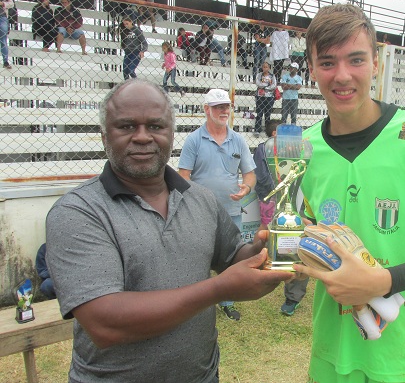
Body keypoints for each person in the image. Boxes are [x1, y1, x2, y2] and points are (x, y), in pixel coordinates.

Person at [46, 79, 292, 382]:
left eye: (156, 126)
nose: (142, 137)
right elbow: (104, 324)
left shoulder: (199, 198)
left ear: (171, 133)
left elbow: (235, 258)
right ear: (104, 136)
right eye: (126, 127)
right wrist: (219, 289)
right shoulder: (78, 212)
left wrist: (270, 249)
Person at [294, 4, 405, 383]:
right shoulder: (304, 148)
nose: (342, 75)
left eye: (355, 59)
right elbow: (311, 236)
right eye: (327, 63)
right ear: (311, 69)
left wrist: (383, 281)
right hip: (332, 355)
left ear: (376, 62)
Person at [178, 89, 257, 321]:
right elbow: (183, 176)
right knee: (198, 257)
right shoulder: (194, 139)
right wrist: (198, 198)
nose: (224, 111)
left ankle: (228, 301)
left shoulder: (238, 140)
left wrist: (247, 188)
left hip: (232, 212)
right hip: (199, 213)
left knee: (231, 260)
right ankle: (198, 302)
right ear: (206, 109)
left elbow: (249, 174)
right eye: (218, 107)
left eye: (227, 107)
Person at [252, 120, 309, 316]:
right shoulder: (264, 149)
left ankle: (293, 296)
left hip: (296, 202)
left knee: (299, 240)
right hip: (271, 198)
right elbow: (261, 175)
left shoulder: (303, 150)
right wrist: (279, 190)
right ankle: (258, 266)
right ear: (275, 134)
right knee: (267, 232)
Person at [254, 61, 277, 136]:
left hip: (269, 97)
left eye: (266, 67)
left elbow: (274, 85)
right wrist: (267, 86)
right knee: (259, 113)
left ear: (269, 68)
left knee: (268, 114)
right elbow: (258, 83)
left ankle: (268, 130)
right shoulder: (259, 75)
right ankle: (257, 130)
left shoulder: (272, 76)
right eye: (264, 67)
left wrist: (265, 87)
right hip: (260, 96)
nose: (265, 68)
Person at [0, 0, 15, 69]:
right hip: (3, 17)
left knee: (3, 39)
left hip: (2, 16)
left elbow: (11, 3)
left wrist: (3, 4)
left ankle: (5, 61)